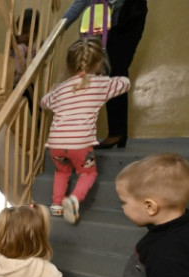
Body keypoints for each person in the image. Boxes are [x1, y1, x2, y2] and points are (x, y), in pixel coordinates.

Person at [41, 37, 130, 224]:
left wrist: (52, 90)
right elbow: (125, 83)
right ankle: (74, 199)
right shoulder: (101, 84)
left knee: (62, 171)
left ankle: (56, 204)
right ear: (98, 62)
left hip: (55, 144)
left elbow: (44, 102)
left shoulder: (61, 89)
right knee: (88, 173)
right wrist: (105, 76)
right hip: (80, 144)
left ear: (69, 65)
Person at [62, 0, 148, 148]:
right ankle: (117, 132)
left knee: (116, 69)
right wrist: (54, 34)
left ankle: (117, 133)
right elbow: (76, 8)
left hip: (130, 16)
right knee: (107, 71)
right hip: (107, 25)